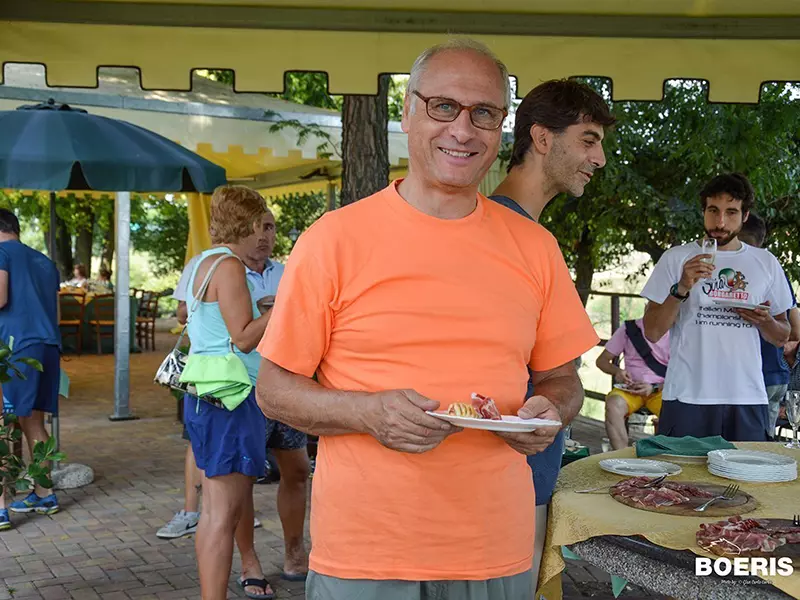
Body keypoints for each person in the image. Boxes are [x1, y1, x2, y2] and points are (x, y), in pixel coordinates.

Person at [255, 39, 598, 600]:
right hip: (365, 553)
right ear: (409, 111)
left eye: (483, 113)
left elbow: (562, 380)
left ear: (501, 128)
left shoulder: (536, 248)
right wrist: (368, 413)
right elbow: (273, 390)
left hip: (495, 548)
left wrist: (550, 410)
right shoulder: (332, 241)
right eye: (444, 106)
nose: (462, 130)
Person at [489, 78, 614, 588]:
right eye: (588, 139)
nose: (600, 158)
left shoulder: (528, 234)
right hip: (501, 481)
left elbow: (553, 371)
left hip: (527, 471)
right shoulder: (497, 231)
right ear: (542, 138)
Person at [641, 173, 793, 441]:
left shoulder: (765, 262)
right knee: (682, 480)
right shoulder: (676, 258)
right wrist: (682, 287)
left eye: (731, 212)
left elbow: (783, 335)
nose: (720, 222)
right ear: (703, 212)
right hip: (687, 395)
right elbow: (652, 331)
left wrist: (763, 321)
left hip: (746, 396)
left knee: (745, 481)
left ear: (745, 216)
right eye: (713, 211)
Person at [182, 186, 277, 600]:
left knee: (215, 511)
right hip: (233, 397)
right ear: (249, 222)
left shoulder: (203, 261)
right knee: (222, 514)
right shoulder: (231, 266)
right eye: (260, 221)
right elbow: (242, 339)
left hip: (208, 394)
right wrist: (279, 309)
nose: (263, 230)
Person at [0, 209, 61, 529]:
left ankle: (3, 506)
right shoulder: (45, 261)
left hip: (15, 348)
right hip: (47, 346)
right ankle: (44, 492)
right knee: (32, 421)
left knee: (4, 421)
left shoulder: (0, 253)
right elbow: (56, 308)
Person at [737, 212, 800, 433]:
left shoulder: (750, 272)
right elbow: (796, 330)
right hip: (777, 374)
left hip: (752, 377)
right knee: (763, 442)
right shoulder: (774, 272)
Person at [596, 319, 670, 450]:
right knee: (613, 405)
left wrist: (654, 387)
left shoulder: (677, 330)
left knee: (676, 409)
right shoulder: (630, 328)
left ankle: (667, 457)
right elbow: (602, 361)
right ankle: (620, 455)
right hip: (630, 388)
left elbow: (684, 372)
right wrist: (617, 371)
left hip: (663, 389)